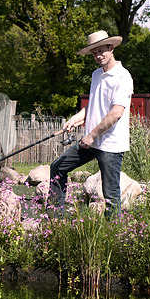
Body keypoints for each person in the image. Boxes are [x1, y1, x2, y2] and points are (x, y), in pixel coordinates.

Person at [48, 30, 134, 219]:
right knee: (57, 167)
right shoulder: (96, 75)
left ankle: (113, 235)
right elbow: (93, 105)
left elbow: (116, 113)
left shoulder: (123, 77)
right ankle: (54, 219)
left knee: (110, 194)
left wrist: (92, 135)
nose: (97, 56)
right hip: (91, 142)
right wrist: (75, 119)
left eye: (101, 51)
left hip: (110, 144)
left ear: (111, 48)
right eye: (94, 53)